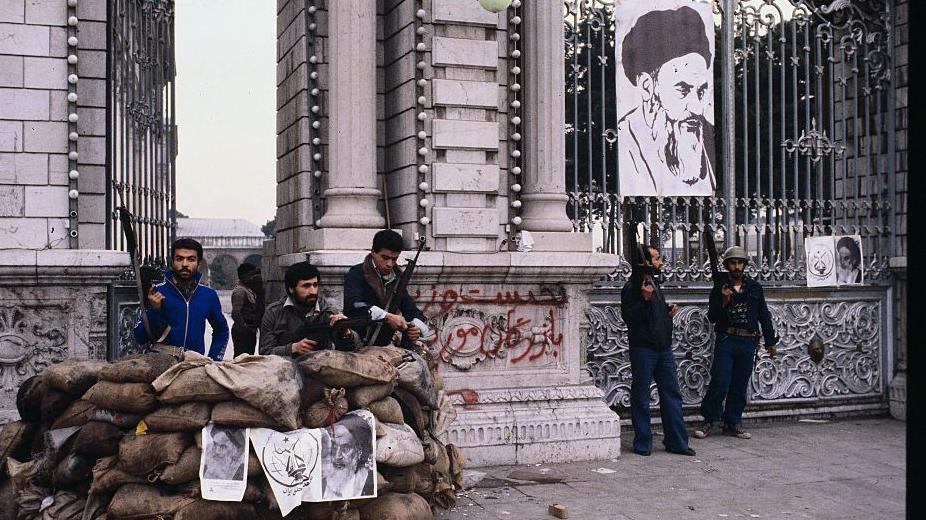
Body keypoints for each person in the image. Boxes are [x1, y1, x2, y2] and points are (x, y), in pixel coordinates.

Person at [617, 5, 716, 196]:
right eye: (683, 90)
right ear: (647, 87)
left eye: (702, 91)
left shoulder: (706, 131)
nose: (696, 108)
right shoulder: (622, 140)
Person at [695, 245, 779, 440]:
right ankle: (709, 419)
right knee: (720, 381)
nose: (737, 266)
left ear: (745, 265)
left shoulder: (755, 288)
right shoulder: (720, 288)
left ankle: (732, 422)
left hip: (748, 341)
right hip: (727, 339)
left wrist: (770, 342)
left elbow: (764, 315)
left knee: (740, 384)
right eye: (733, 263)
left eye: (740, 262)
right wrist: (724, 301)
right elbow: (713, 316)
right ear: (726, 265)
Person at [621, 245, 696, 457]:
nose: (660, 262)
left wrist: (666, 310)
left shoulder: (654, 284)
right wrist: (644, 299)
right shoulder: (631, 288)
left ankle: (677, 442)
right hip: (643, 348)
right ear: (644, 262)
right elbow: (630, 318)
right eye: (655, 259)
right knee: (642, 395)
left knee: (671, 394)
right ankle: (643, 442)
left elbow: (652, 314)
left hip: (663, 348)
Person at [133, 238, 229, 360]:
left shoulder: (208, 295)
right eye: (179, 259)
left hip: (194, 364)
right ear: (172, 262)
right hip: (161, 363)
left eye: (191, 259)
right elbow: (139, 337)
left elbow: (222, 330)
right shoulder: (155, 292)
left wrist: (214, 360)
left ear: (199, 264)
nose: (184, 264)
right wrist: (154, 311)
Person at [343, 229, 429, 347]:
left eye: (394, 259)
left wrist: (416, 328)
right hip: (355, 343)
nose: (389, 264)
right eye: (385, 257)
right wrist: (386, 317)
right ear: (373, 252)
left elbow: (411, 310)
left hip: (382, 347)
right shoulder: (357, 273)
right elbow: (353, 305)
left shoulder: (397, 279)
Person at [260, 261, 359, 357]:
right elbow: (265, 352)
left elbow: (354, 349)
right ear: (291, 288)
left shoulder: (328, 312)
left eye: (315, 285)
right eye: (306, 286)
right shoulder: (274, 313)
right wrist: (292, 348)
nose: (313, 291)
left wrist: (346, 333)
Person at [321, 417, 374, 499]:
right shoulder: (319, 480)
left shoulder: (366, 484)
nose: (337, 456)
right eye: (334, 447)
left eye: (345, 449)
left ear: (359, 451)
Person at [231, 263, 265, 356]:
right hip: (242, 330)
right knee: (242, 358)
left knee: (249, 356)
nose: (253, 278)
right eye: (251, 275)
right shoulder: (240, 291)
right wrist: (245, 328)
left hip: (249, 328)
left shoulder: (249, 289)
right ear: (243, 276)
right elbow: (236, 313)